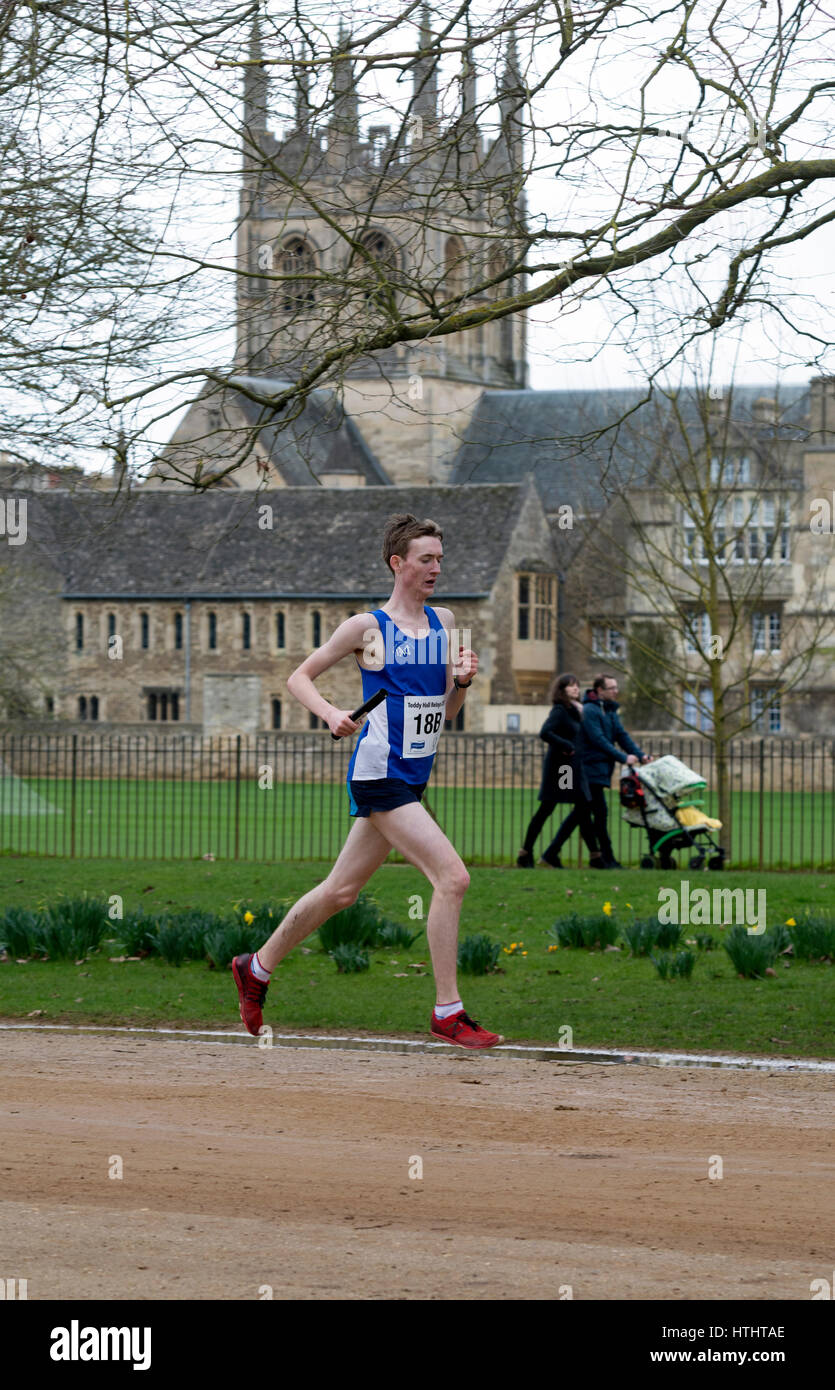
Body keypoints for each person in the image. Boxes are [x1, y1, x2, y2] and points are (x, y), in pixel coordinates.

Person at [232, 513, 504, 1049]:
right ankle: (448, 1012)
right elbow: (298, 677)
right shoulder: (368, 628)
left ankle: (256, 967)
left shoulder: (445, 622)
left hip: (413, 776)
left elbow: (447, 712)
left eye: (440, 559)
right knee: (453, 879)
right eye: (425, 559)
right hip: (379, 773)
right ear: (397, 563)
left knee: (341, 891)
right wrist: (332, 714)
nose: (436, 568)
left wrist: (466, 683)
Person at [516, 673, 603, 869]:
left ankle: (594, 857)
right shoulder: (559, 710)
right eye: (570, 686)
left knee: (582, 808)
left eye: (576, 685)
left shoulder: (574, 710)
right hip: (562, 769)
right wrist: (567, 745)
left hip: (573, 767)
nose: (575, 688)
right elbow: (545, 732)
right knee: (548, 809)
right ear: (562, 689)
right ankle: (525, 853)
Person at [577, 674, 651, 869]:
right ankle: (606, 859)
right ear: (599, 690)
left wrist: (640, 755)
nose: (616, 691)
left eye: (616, 687)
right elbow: (598, 739)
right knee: (598, 814)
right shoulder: (591, 710)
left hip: (599, 770)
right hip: (586, 769)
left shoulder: (609, 711)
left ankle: (555, 854)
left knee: (583, 815)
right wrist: (623, 758)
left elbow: (621, 735)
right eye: (611, 688)